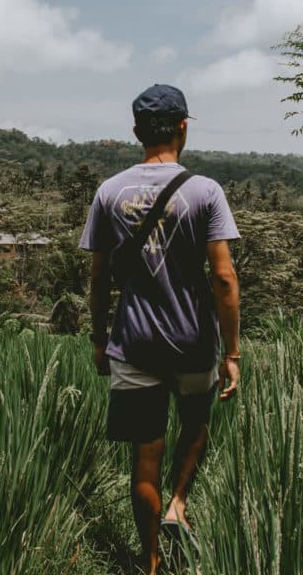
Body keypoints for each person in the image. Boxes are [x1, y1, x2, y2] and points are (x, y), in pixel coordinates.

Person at [79, 84, 241, 574]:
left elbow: (99, 276)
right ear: (183, 127)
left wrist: (99, 337)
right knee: (195, 423)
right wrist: (231, 351)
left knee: (142, 458)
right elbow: (224, 277)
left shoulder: (109, 191)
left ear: (135, 132)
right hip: (194, 343)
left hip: (134, 345)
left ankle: (149, 564)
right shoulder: (205, 191)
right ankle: (178, 502)